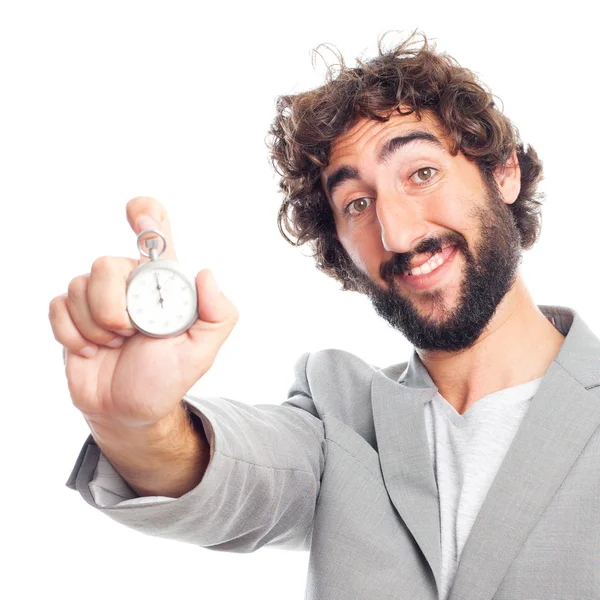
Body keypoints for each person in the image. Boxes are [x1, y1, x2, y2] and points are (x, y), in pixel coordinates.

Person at [49, 33, 600, 600]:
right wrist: (135, 425)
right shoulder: (338, 412)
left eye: (421, 173)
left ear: (503, 173)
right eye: (357, 205)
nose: (398, 233)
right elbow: (235, 477)